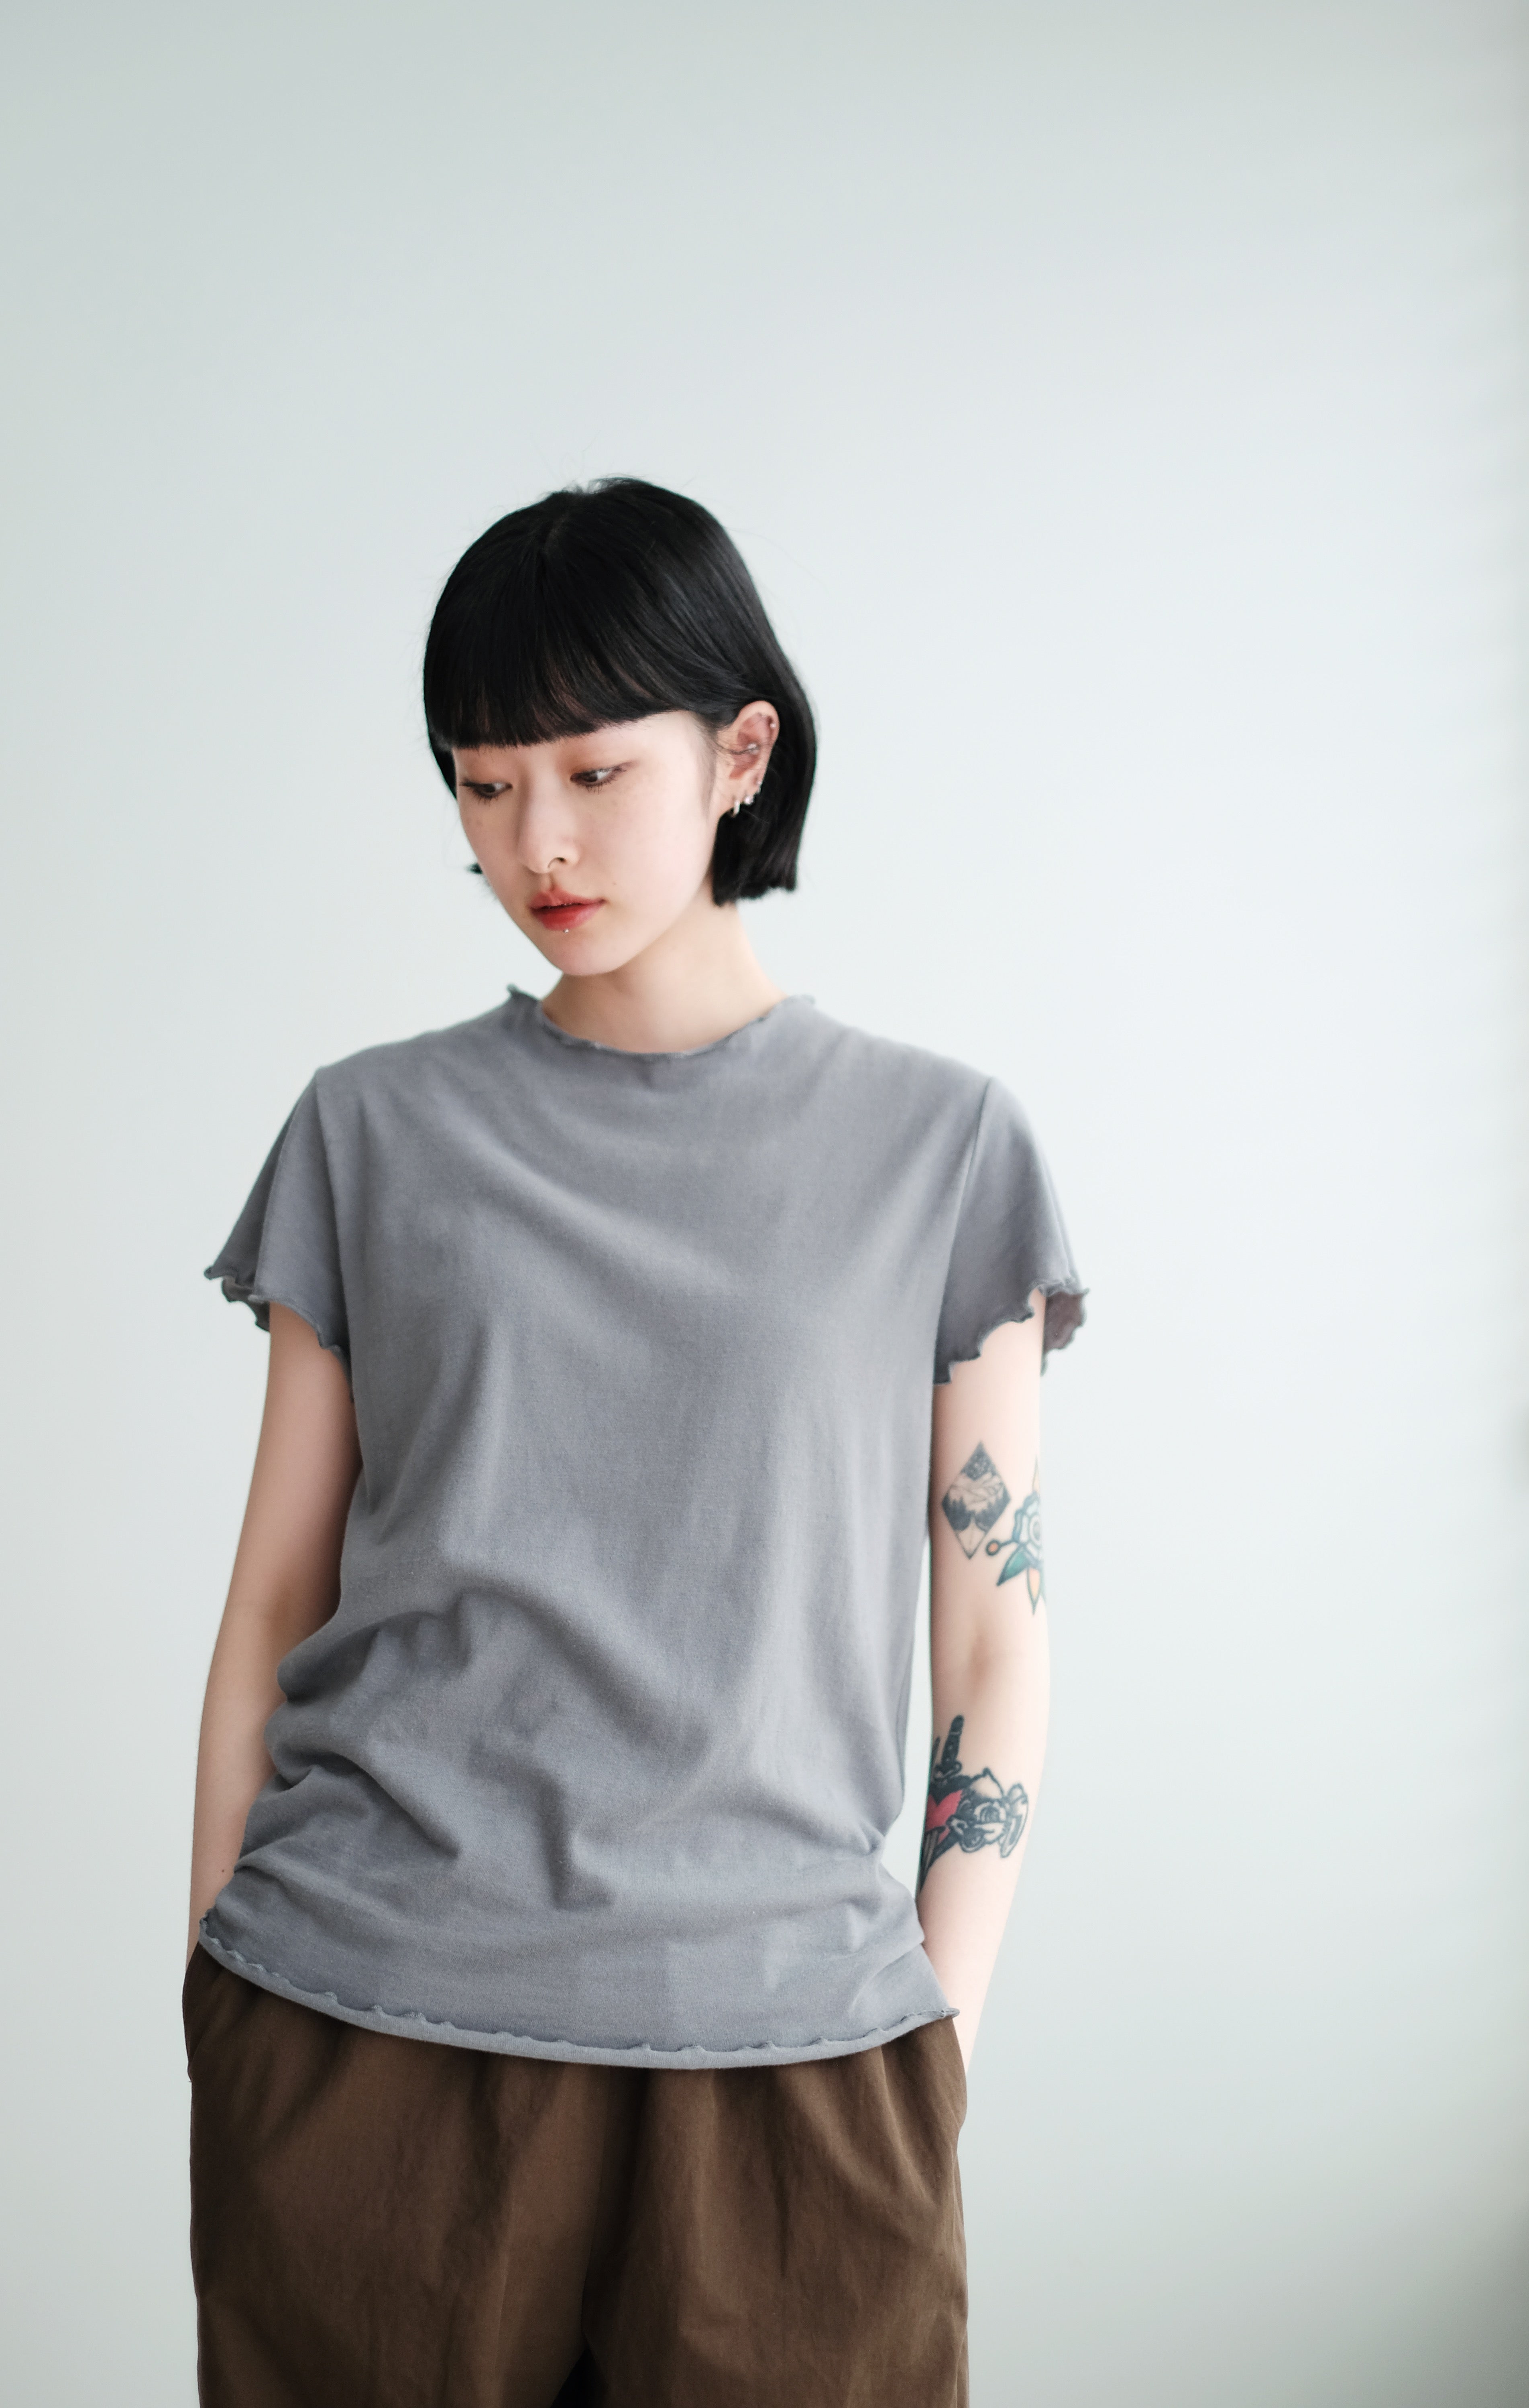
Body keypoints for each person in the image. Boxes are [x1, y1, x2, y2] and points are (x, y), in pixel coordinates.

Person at [184, 477, 1085, 2408]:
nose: (539, 842)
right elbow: (271, 1600)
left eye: (595, 772)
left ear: (739, 754)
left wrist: (936, 2042)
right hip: (365, 2031)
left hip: (796, 2062)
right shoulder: (369, 1133)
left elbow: (994, 1641)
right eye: (485, 784)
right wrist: (217, 1994)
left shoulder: (940, 1151)